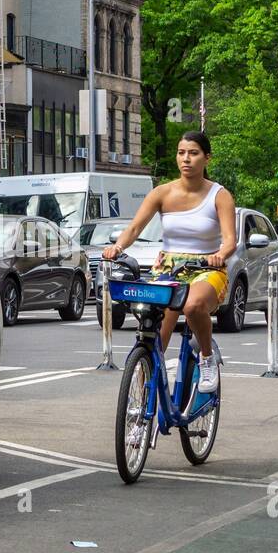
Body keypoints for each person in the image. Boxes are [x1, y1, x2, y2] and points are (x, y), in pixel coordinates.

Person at [102, 132, 237, 393]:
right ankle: (142, 398)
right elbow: (133, 229)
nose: (186, 159)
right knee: (154, 332)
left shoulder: (220, 196)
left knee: (193, 306)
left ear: (207, 157)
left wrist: (220, 254)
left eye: (194, 153)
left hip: (206, 268)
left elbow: (230, 240)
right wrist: (117, 247)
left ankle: (207, 357)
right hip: (168, 267)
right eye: (181, 152)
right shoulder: (161, 193)